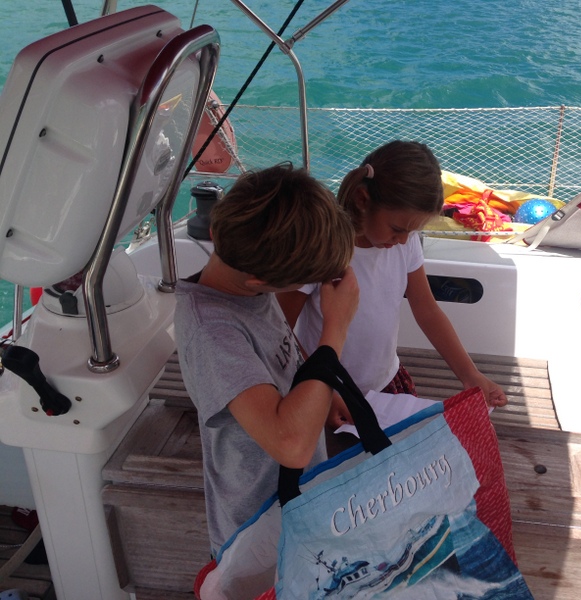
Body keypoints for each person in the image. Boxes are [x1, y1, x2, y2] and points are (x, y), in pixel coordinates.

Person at [173, 163, 358, 555]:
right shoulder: (213, 331)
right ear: (260, 281)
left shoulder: (247, 289)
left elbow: (280, 349)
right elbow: (291, 445)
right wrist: (336, 328)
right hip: (258, 534)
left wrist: (322, 390)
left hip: (297, 507)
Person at [278, 141, 507, 428]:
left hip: (385, 385)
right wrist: (322, 390)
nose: (403, 240)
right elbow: (280, 330)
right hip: (325, 389)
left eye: (412, 231)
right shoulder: (319, 248)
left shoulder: (405, 241)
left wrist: (469, 375)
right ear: (362, 199)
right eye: (398, 229)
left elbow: (427, 310)